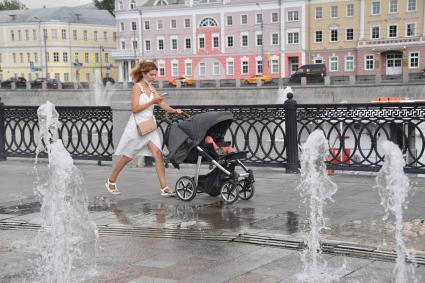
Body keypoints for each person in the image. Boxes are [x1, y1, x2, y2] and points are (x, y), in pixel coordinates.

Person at [105, 60, 182, 196]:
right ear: (144, 73)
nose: (154, 77)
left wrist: (174, 110)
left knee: (158, 155)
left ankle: (164, 188)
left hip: (150, 126)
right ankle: (111, 181)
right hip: (137, 127)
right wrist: (152, 101)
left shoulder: (152, 88)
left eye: (155, 75)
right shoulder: (137, 87)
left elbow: (162, 104)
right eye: (152, 75)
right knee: (128, 157)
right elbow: (135, 109)